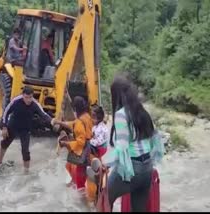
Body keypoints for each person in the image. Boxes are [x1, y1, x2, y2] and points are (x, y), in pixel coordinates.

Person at [101, 75, 164, 212]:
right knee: (139, 209)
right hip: (147, 169)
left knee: (104, 196)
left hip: (133, 170)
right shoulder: (143, 111)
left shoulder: (121, 115)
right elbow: (156, 142)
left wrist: (104, 162)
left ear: (116, 95)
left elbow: (121, 148)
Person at [0, 86, 54, 173]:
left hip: (25, 128)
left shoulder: (35, 104)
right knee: (5, 142)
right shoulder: (16, 101)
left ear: (33, 96)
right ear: (22, 95)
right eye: (26, 97)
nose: (28, 100)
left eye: (30, 97)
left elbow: (43, 115)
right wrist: (4, 127)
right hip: (13, 125)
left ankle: (26, 172)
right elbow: (6, 112)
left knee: (25, 150)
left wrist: (52, 121)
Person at [53, 96, 93, 190]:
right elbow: (73, 124)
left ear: (75, 109)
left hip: (82, 150)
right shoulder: (86, 116)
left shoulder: (79, 121)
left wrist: (66, 144)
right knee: (72, 166)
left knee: (78, 169)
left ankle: (80, 191)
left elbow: (80, 142)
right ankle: (75, 183)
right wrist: (60, 122)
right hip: (89, 147)